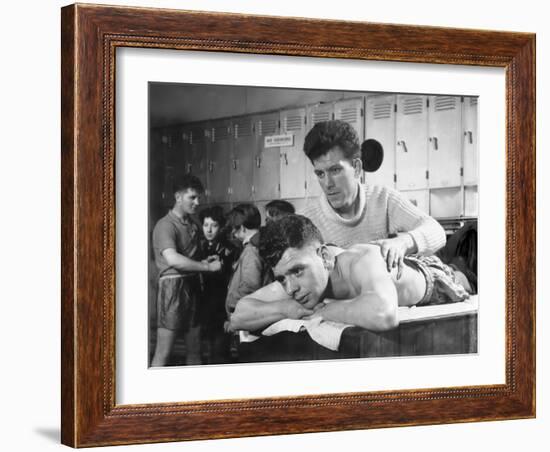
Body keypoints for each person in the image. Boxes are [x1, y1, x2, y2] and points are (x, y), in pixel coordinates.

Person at [229, 215, 470, 333]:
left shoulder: (361, 260)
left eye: (297, 271)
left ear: (324, 257)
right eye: (282, 278)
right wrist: (285, 309)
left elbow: (384, 315)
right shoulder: (295, 280)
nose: (290, 288)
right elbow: (239, 313)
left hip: (440, 278)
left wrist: (324, 310)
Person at [301, 120, 446, 276]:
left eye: (335, 170)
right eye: (320, 174)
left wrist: (403, 242)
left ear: (356, 168)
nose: (327, 183)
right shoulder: (306, 220)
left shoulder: (383, 198)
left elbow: (436, 231)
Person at [150, 175, 222, 367]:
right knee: (164, 352)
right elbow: (173, 259)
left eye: (198, 197)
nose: (197, 202)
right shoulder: (165, 225)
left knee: (195, 350)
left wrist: (204, 260)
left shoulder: (192, 225)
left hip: (192, 286)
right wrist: (207, 267)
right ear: (178, 197)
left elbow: (190, 259)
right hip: (172, 289)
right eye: (192, 197)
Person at [196, 206, 238, 363]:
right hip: (203, 304)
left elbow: (233, 278)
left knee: (220, 349)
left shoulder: (230, 249)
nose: (209, 230)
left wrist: (223, 266)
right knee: (205, 349)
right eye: (206, 225)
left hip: (222, 304)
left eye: (214, 225)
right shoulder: (198, 248)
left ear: (220, 228)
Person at [225, 204, 272, 316]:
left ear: (242, 228)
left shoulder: (251, 250)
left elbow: (250, 287)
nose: (233, 234)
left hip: (246, 314)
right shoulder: (261, 243)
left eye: (233, 229)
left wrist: (232, 306)